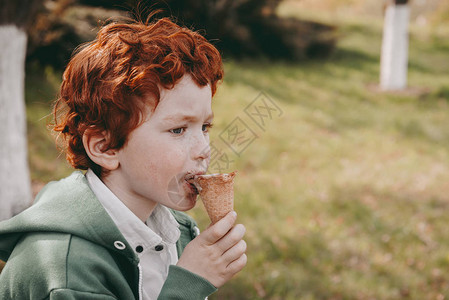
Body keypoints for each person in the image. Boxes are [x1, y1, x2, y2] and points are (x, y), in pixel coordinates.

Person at [0, 16, 247, 299]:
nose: (203, 147)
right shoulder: (68, 270)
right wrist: (189, 283)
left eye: (205, 127)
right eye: (178, 129)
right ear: (105, 148)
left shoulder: (175, 233)